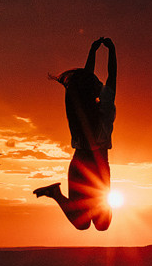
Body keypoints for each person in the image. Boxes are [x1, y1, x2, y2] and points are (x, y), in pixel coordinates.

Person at [35, 36, 116, 231]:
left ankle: (55, 194)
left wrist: (93, 51)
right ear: (93, 89)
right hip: (97, 167)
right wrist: (111, 50)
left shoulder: (79, 110)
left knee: (89, 224)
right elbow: (111, 75)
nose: (99, 82)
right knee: (99, 224)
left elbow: (86, 81)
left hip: (82, 165)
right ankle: (55, 193)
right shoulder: (104, 107)